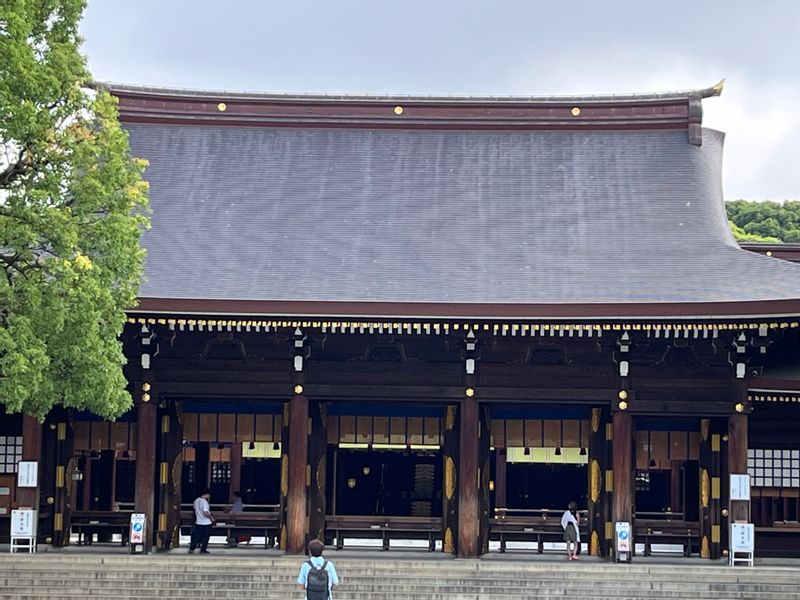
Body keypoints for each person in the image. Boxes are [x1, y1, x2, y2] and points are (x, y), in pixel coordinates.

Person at [189, 489, 214, 554]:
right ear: (206, 494)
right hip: (206, 522)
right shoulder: (204, 502)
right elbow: (205, 512)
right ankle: (203, 549)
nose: (209, 496)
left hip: (198, 521)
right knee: (205, 537)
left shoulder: (196, 501)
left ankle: (192, 548)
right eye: (209, 495)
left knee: (196, 536)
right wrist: (211, 518)